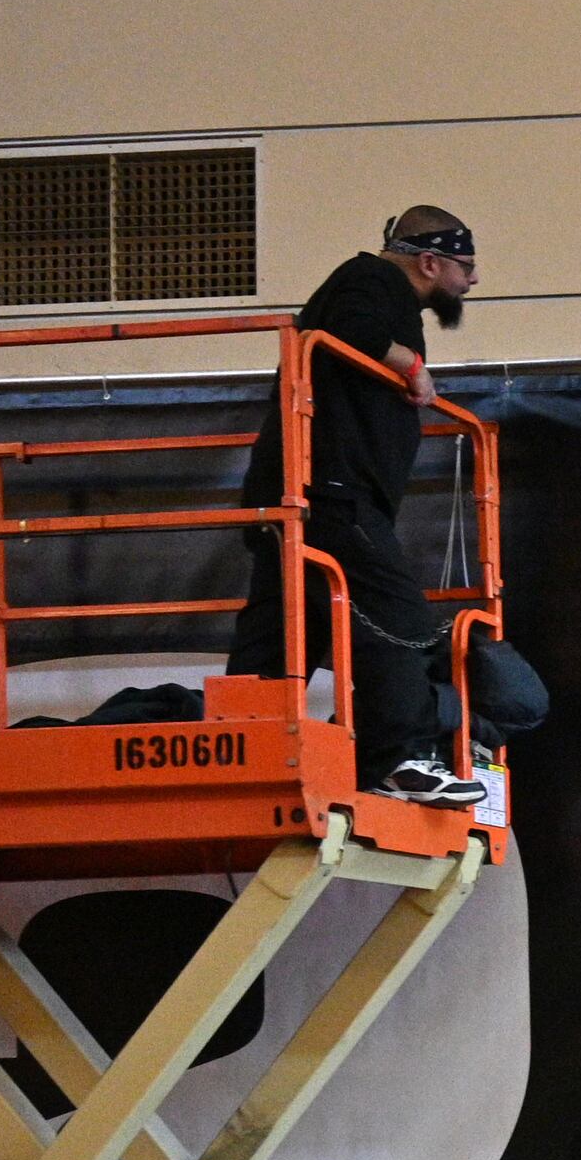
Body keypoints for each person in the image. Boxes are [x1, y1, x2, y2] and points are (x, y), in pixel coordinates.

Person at [228, 206, 545, 806]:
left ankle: (245, 741)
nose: (472, 281)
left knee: (288, 625)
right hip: (328, 495)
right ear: (429, 261)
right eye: (466, 266)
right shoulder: (370, 281)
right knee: (397, 618)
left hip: (305, 492)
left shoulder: (376, 291)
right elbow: (350, 327)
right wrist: (415, 369)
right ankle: (398, 759)